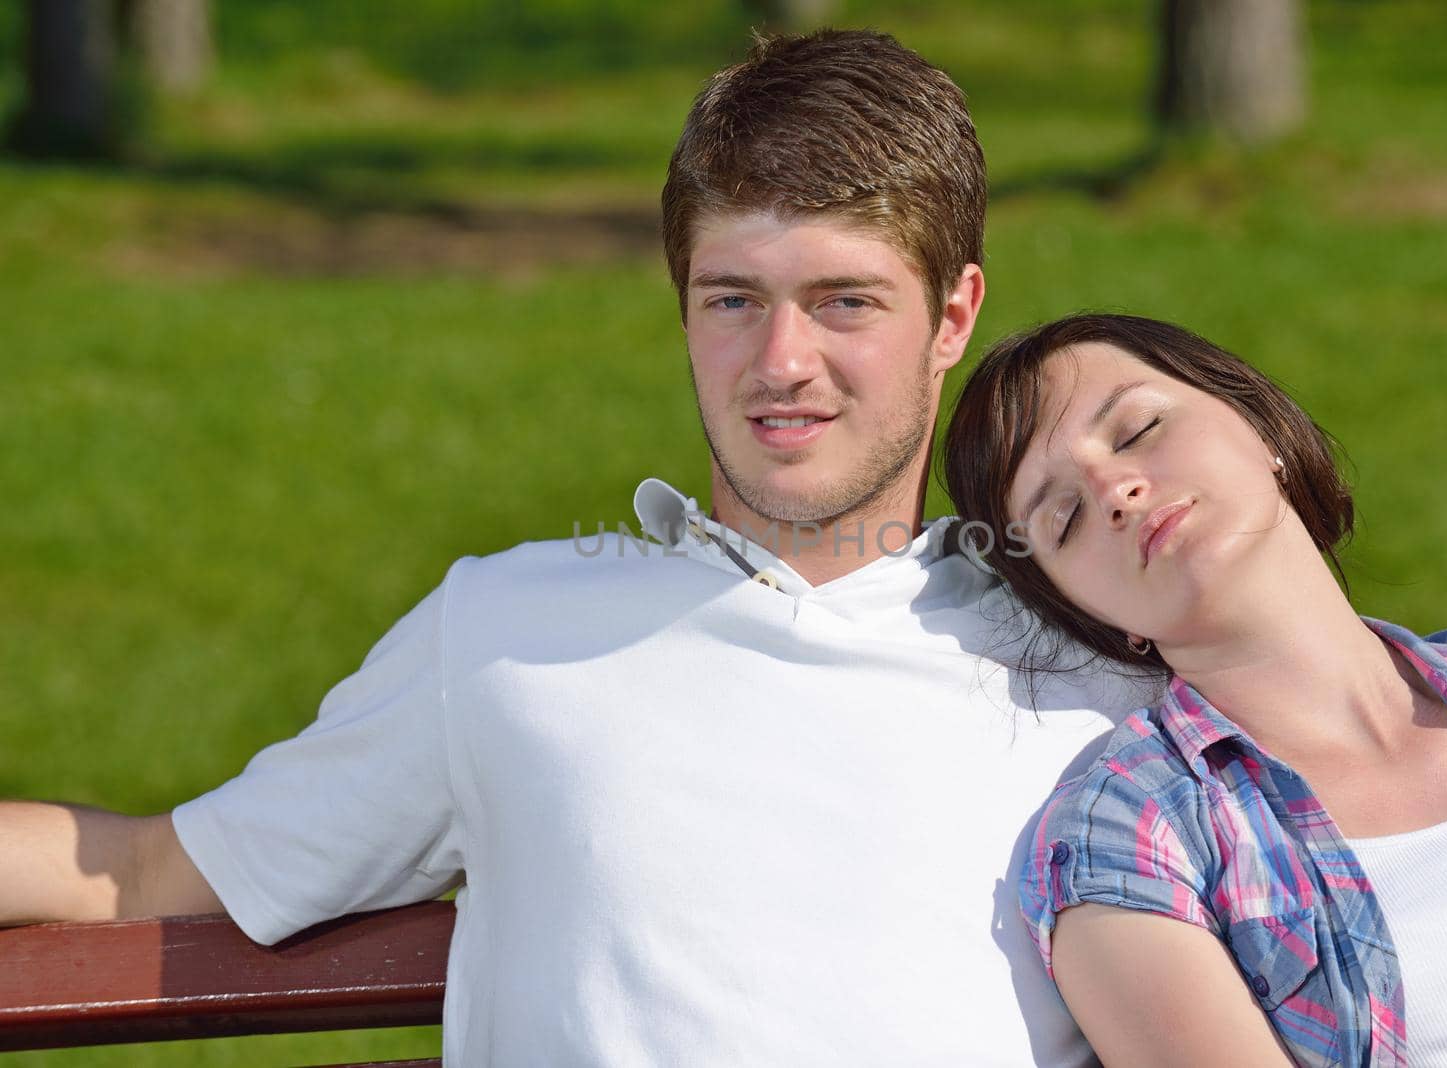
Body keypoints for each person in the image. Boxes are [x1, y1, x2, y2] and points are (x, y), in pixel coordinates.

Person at [0, 32, 1157, 1067]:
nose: (780, 362)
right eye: (732, 300)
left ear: (952, 316)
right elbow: (152, 872)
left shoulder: (1099, 670)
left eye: (844, 302)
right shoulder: (506, 635)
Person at [942, 311, 1447, 1067]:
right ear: (1082, 608)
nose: (1116, 488)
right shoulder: (1134, 840)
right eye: (1065, 517)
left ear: (1260, 429)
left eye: (1137, 430)